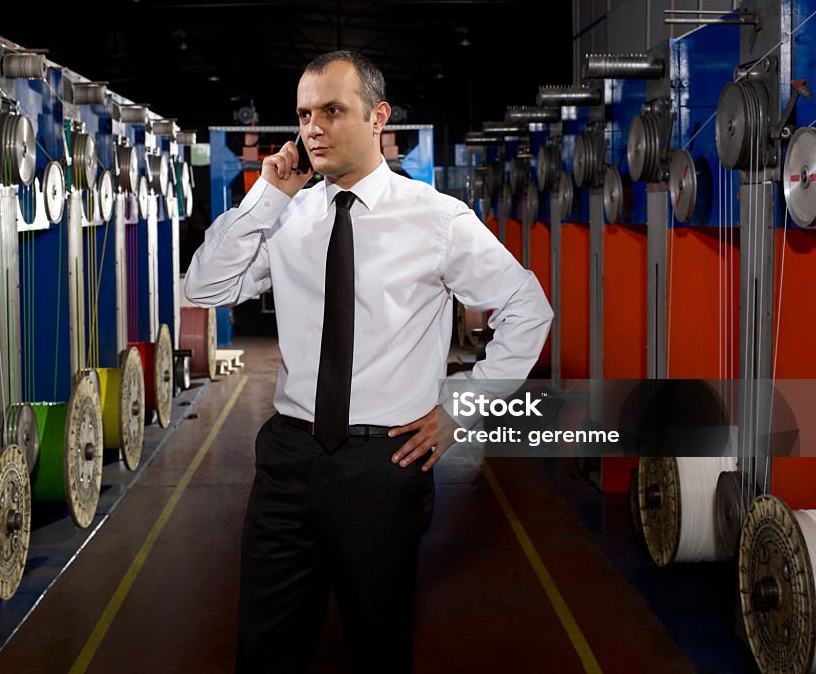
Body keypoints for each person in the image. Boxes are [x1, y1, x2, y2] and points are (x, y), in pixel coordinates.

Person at [184, 50, 553, 673]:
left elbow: (527, 308)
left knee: (377, 644)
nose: (313, 129)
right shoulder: (288, 216)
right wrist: (262, 200)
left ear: (377, 116)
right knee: (265, 647)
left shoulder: (436, 220)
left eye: (332, 110)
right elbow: (207, 288)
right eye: (303, 114)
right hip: (288, 459)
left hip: (383, 464)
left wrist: (463, 407)